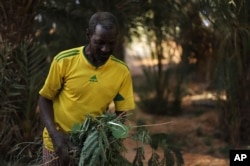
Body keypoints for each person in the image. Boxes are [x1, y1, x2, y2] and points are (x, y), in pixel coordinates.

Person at [38, 11, 135, 165]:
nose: (105, 49)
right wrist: (55, 136)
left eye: (111, 43)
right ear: (88, 36)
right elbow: (44, 99)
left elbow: (121, 113)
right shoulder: (64, 61)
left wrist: (109, 139)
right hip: (57, 146)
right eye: (100, 42)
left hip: (91, 150)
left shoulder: (121, 71)